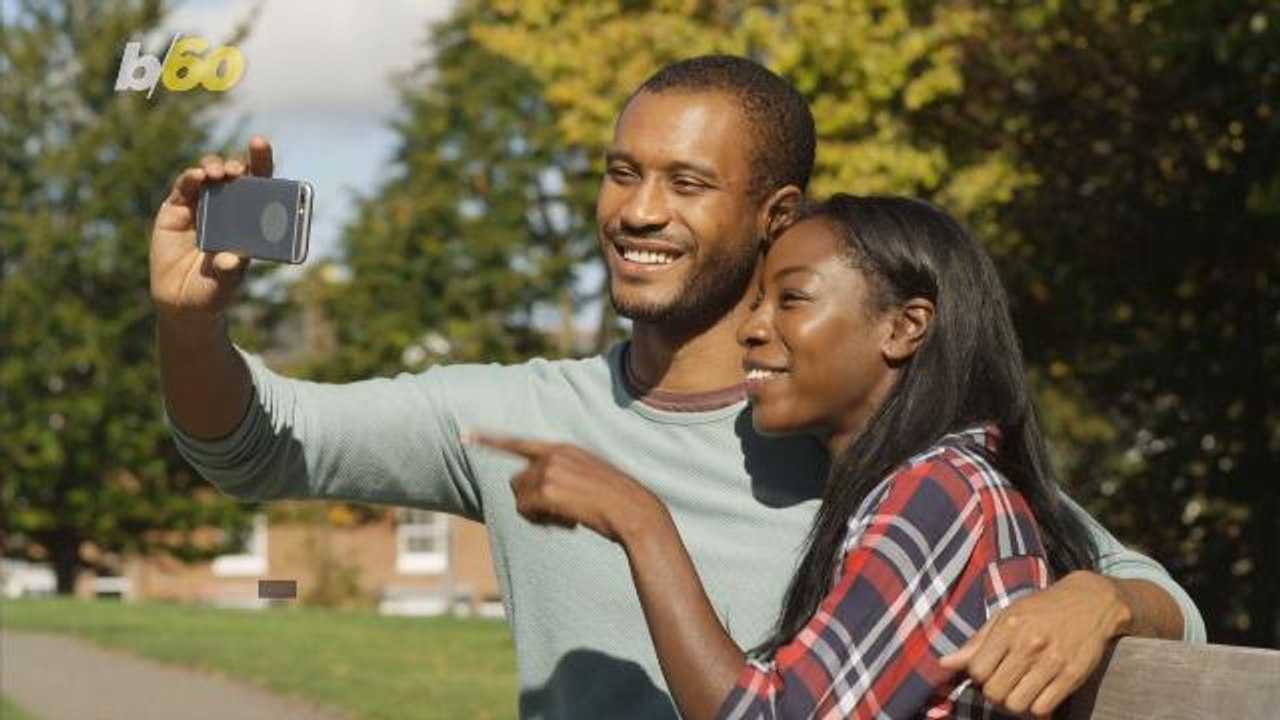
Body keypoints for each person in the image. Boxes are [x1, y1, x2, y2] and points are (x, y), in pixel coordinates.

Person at [152, 56, 1203, 719]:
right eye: (622, 172)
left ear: (774, 217)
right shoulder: (522, 417)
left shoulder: (869, 439)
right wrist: (192, 322)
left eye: (686, 184)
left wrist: (1099, 602)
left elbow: (1157, 597)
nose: (637, 211)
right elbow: (253, 443)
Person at [470, 194, 1100, 718]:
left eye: (791, 299)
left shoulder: (942, 491)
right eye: (756, 302)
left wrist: (640, 520)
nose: (752, 328)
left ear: (904, 328)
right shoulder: (920, 486)